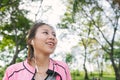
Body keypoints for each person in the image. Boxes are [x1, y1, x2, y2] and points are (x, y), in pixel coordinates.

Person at [3, 22, 71, 80]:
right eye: (45, 33)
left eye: (54, 35)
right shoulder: (13, 71)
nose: (52, 37)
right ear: (31, 41)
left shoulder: (63, 68)